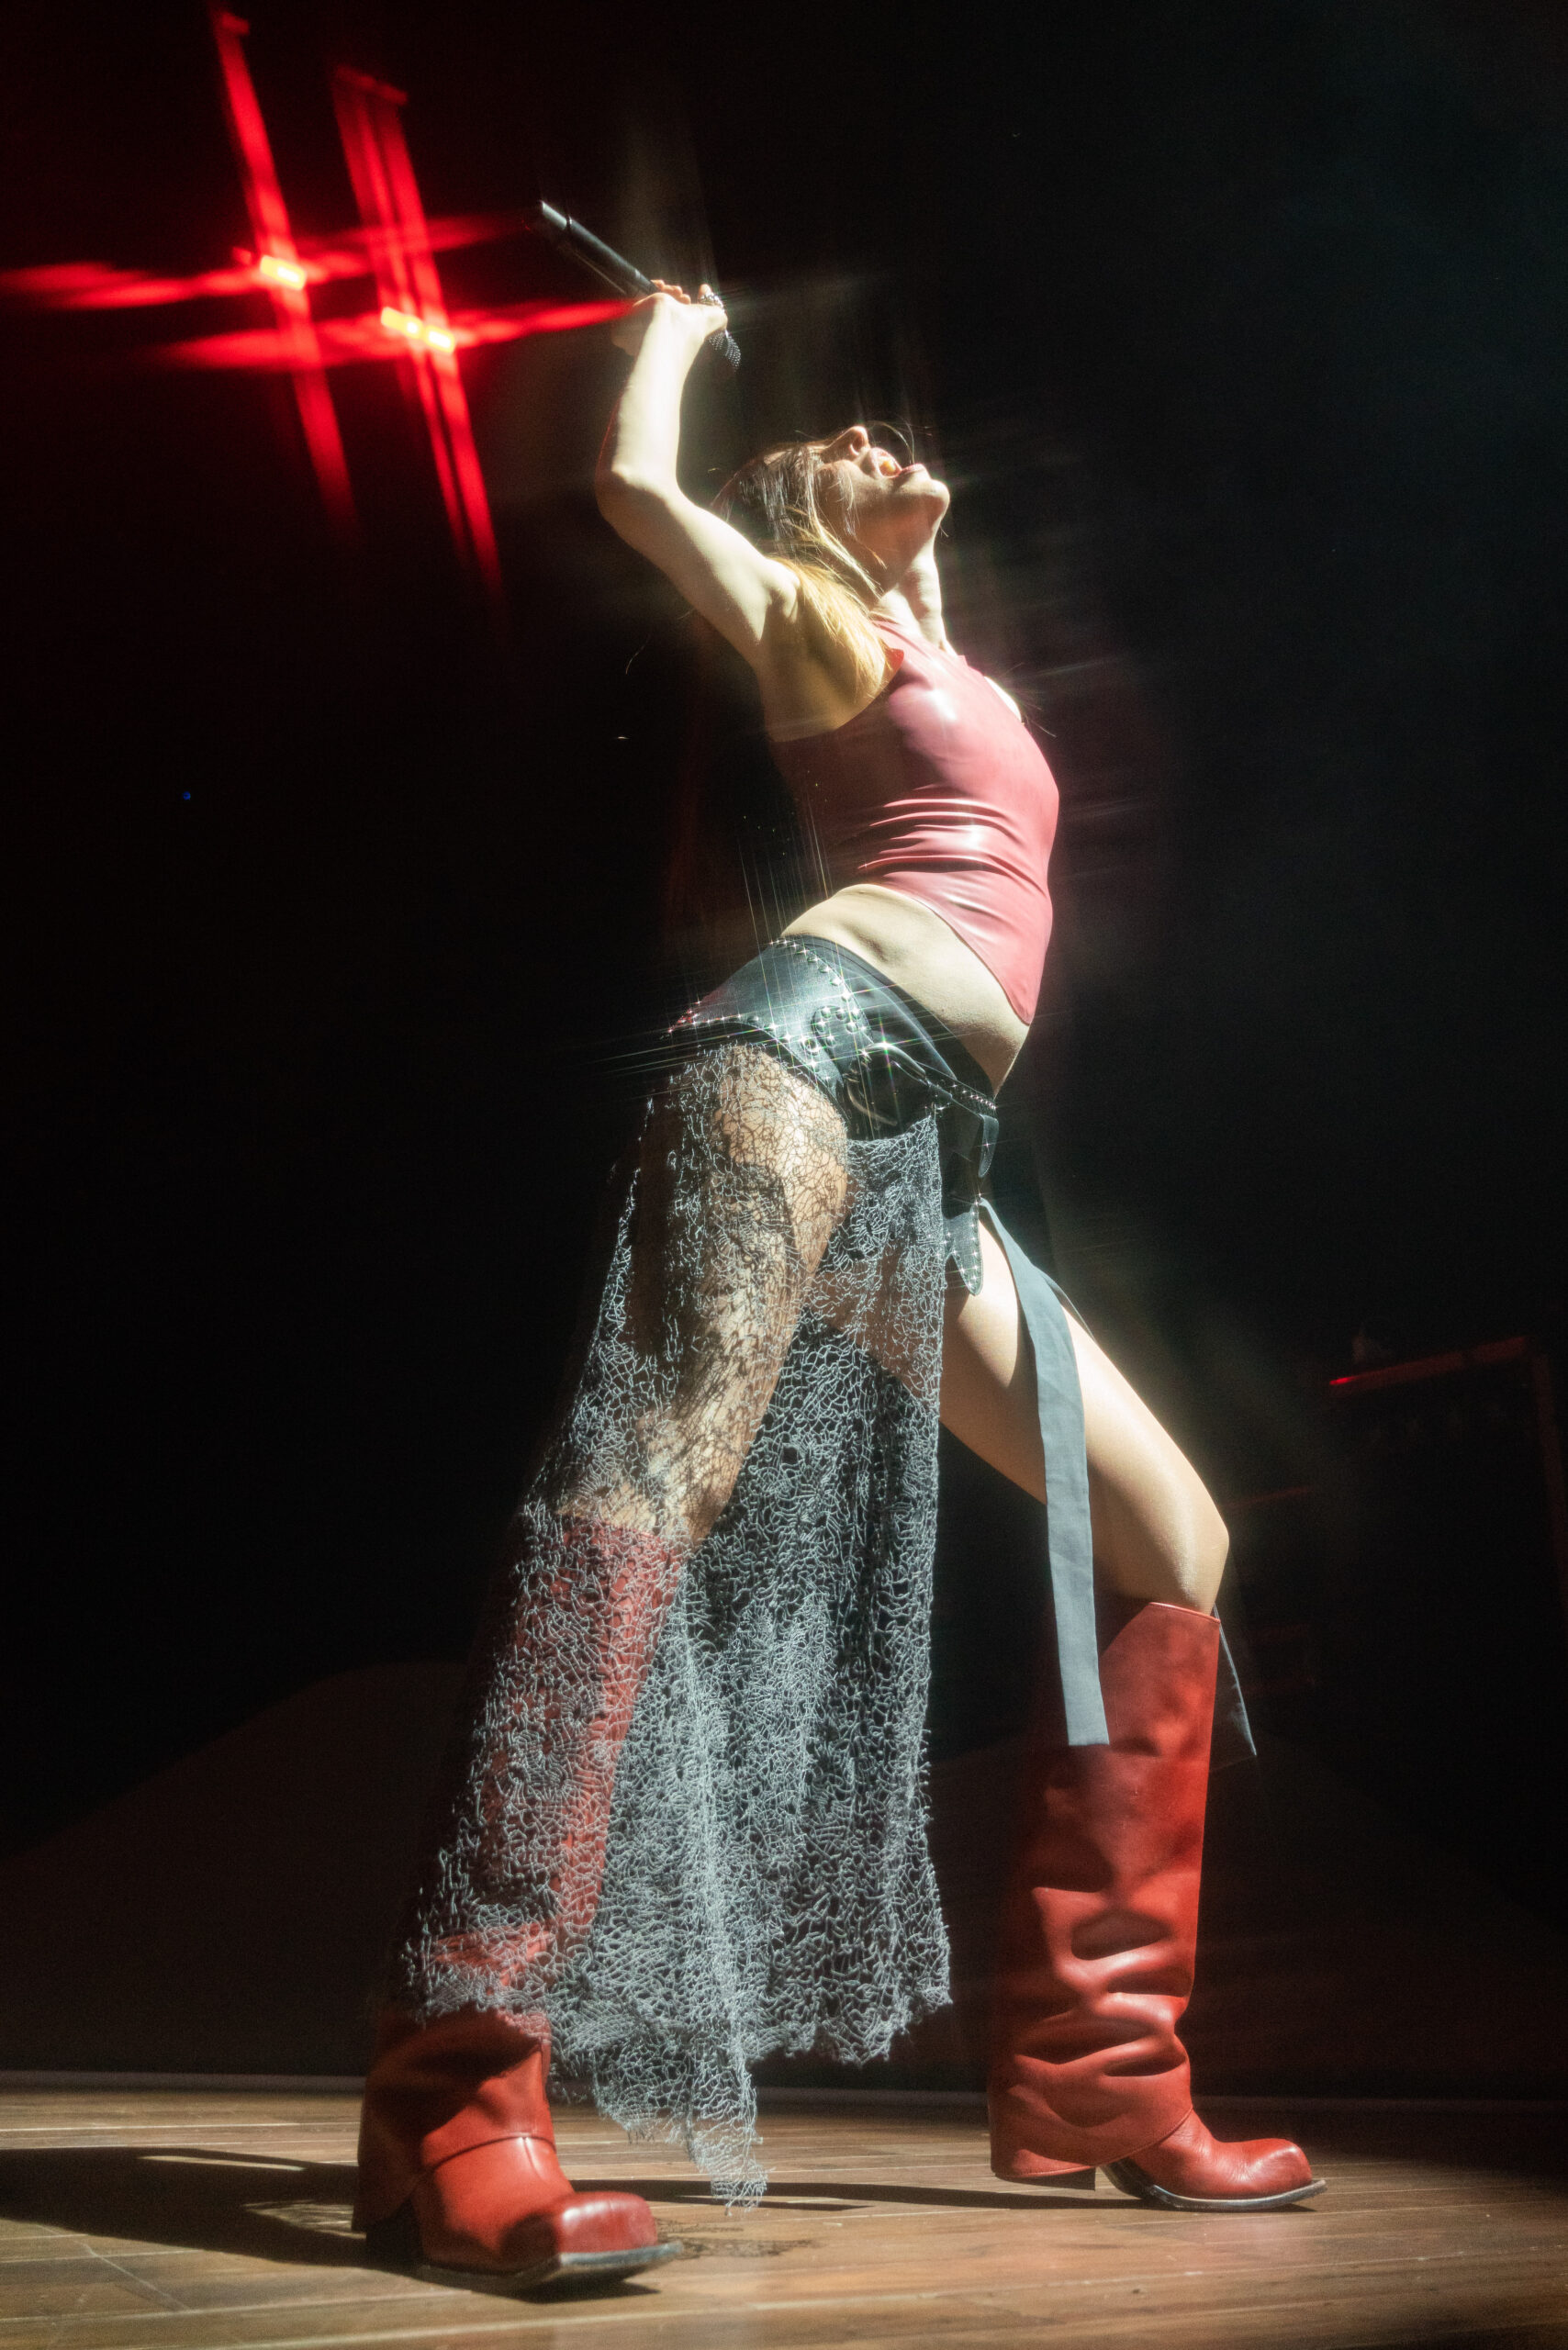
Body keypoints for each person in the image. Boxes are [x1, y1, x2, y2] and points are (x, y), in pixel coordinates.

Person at [353, 282, 1324, 2294]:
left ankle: (1100, 2080)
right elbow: (635, 487)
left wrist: (911, 544)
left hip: (927, 1154)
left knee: (1172, 1535)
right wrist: (675, 329)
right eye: (853, 446)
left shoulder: (933, 645)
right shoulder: (813, 619)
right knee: (647, 1485)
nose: (893, 443)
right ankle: (453, 2097)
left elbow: (928, 584)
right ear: (807, 515)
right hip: (799, 1067)